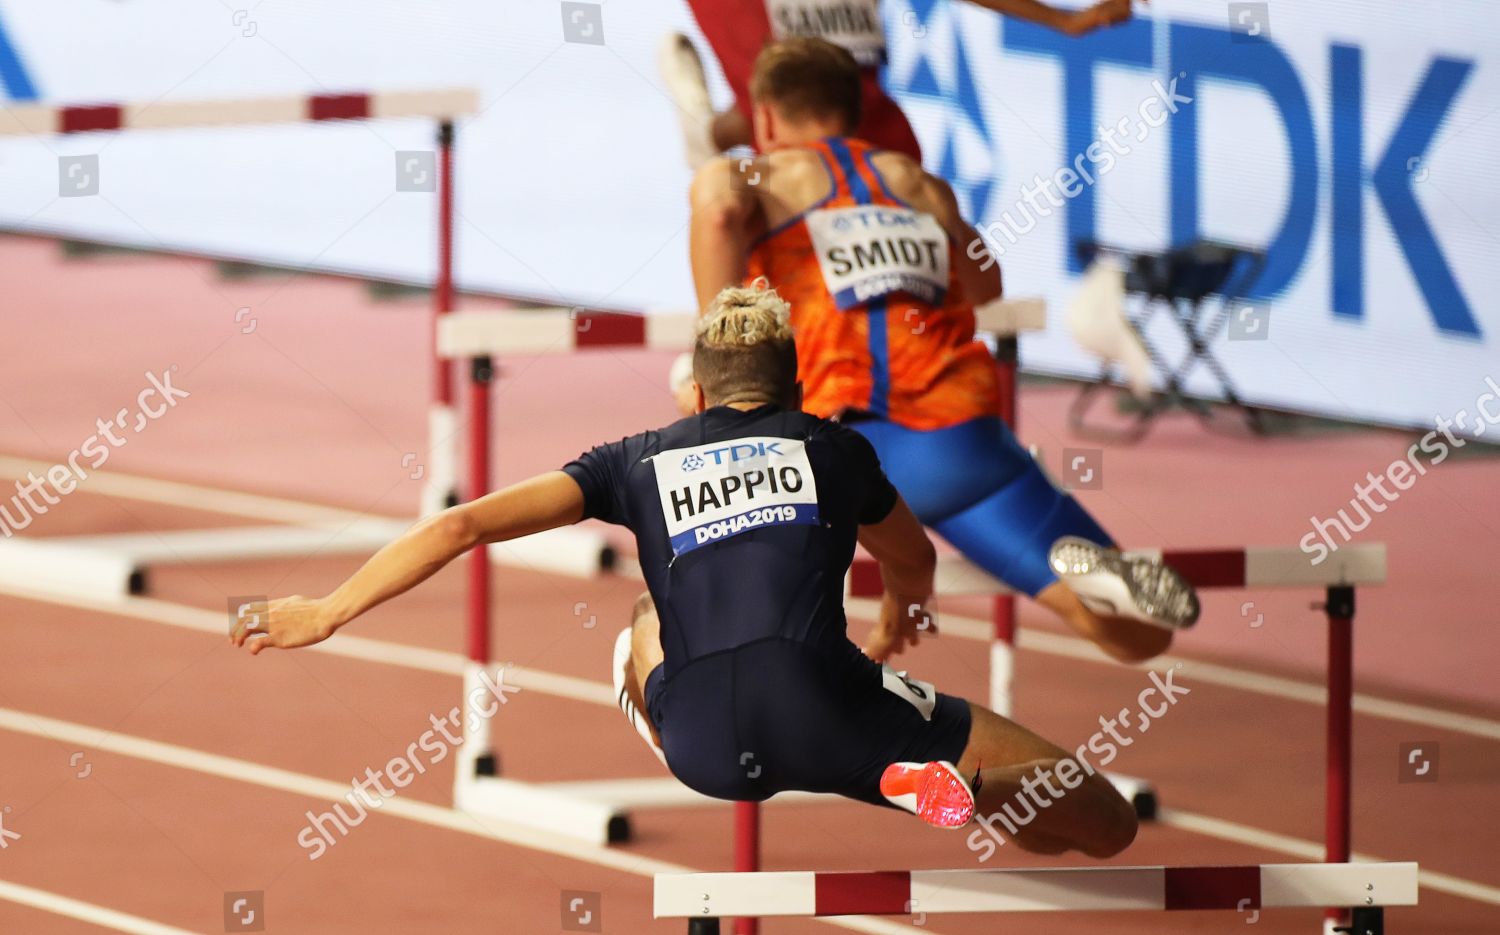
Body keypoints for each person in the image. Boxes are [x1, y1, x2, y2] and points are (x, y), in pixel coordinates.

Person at [230, 288, 1137, 856]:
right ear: (795, 391)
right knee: (1099, 826)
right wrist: (903, 613)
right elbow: (915, 559)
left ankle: (688, 719)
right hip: (828, 711)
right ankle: (900, 776)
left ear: (695, 396)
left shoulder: (630, 461)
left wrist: (330, 609)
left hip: (702, 743)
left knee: (643, 609)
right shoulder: (832, 446)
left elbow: (463, 523)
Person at [685, 38, 1198, 666]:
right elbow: (987, 283)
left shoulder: (750, 173)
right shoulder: (918, 184)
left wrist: (718, 346)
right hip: (963, 440)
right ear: (855, 110)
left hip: (840, 448)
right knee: (1142, 637)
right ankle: (1100, 585)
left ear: (764, 117)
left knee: (730, 583)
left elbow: (716, 216)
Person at [659, 0, 1137, 167]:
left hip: (853, 70)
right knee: (792, 120)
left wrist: (1063, 20)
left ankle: (709, 132)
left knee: (887, 153)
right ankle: (740, 336)